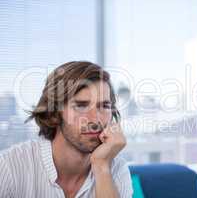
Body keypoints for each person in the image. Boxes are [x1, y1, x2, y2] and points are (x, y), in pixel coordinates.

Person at [0, 61, 133, 198]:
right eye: (81, 106)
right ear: (54, 114)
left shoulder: (115, 169)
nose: (96, 119)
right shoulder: (9, 167)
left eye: (104, 106)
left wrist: (101, 167)